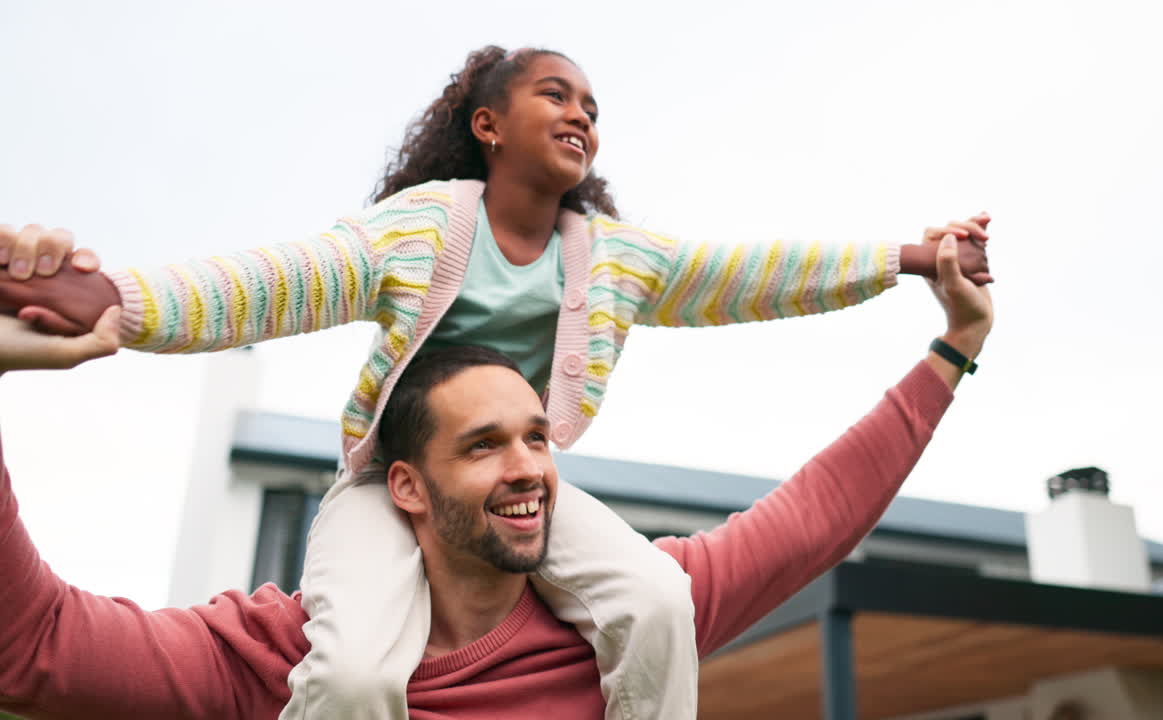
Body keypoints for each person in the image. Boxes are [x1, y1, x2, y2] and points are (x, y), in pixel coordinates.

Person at [0, 46, 992, 720]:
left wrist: (908, 258)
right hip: (384, 485)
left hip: (524, 503)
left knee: (654, 604)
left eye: (592, 109)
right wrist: (112, 305)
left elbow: (752, 276)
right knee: (347, 672)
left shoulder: (611, 259)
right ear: (487, 124)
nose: (579, 115)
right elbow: (265, 286)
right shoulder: (423, 231)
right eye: (554, 96)